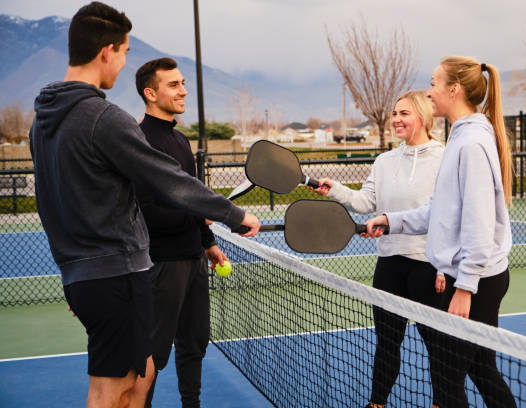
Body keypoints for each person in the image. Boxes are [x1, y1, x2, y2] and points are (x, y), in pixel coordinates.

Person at [28, 3, 260, 408]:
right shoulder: (103, 118)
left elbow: (49, 203)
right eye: (124, 53)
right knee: (112, 386)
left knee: (141, 373)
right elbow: (171, 182)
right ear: (107, 51)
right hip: (115, 274)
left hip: (84, 273)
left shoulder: (42, 121)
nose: (121, 64)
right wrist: (235, 214)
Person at [364, 56, 516, 407]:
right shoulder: (463, 137)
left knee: (447, 380)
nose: (429, 90)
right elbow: (442, 209)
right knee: (481, 369)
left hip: (476, 282)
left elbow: (478, 222)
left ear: (454, 89)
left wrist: (464, 287)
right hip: (475, 278)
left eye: (434, 83)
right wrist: (391, 220)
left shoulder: (470, 144)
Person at [313, 90, 446, 408]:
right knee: (387, 341)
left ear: (424, 118)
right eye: (395, 114)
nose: (397, 119)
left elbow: (443, 215)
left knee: (437, 343)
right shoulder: (385, 161)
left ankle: (442, 402)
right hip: (389, 262)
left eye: (405, 113)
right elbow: (366, 202)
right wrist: (337, 190)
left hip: (428, 264)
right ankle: (377, 404)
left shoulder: (446, 158)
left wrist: (444, 265)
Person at [132, 57, 225, 407]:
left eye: (182, 82)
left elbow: (192, 196)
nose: (183, 90)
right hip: (160, 265)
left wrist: (209, 243)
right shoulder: (139, 141)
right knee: (152, 355)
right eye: (174, 85)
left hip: (193, 261)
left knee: (194, 343)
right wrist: (197, 214)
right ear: (150, 93)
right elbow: (146, 213)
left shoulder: (182, 142)